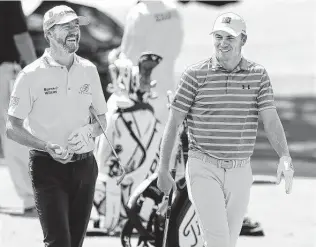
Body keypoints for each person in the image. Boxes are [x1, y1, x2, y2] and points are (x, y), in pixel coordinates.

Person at [157, 12, 294, 247]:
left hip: (240, 171)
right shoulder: (195, 75)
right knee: (218, 241)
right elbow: (174, 122)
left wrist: (285, 156)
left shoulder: (258, 75)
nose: (223, 43)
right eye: (218, 36)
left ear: (243, 40)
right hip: (203, 167)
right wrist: (163, 167)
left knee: (227, 242)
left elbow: (270, 120)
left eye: (230, 37)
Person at [6, 5, 107, 247]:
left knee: (75, 243)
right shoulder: (30, 75)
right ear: (49, 33)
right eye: (66, 27)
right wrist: (45, 146)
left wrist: (89, 131)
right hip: (46, 167)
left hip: (85, 167)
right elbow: (12, 128)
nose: (74, 31)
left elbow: (102, 119)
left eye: (76, 26)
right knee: (59, 242)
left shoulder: (89, 70)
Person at [119, 0, 184, 124]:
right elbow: (177, 46)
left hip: (144, 90)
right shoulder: (173, 10)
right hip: (168, 84)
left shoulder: (138, 13)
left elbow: (129, 55)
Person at [0, 1, 37, 213]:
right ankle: (31, 197)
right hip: (4, 71)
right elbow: (21, 37)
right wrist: (37, 71)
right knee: (13, 131)